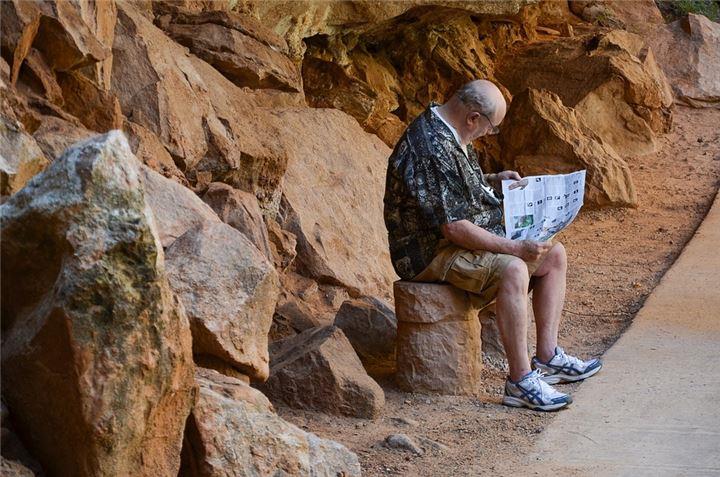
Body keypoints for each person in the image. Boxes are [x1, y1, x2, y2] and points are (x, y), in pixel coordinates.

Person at [383, 79, 602, 412]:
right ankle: (520, 381)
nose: (489, 133)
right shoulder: (429, 146)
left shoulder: (448, 127)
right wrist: (513, 249)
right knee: (514, 268)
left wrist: (494, 181)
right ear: (473, 117)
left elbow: (454, 189)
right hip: (428, 252)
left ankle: (547, 357)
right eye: (490, 127)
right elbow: (454, 227)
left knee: (554, 254)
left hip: (452, 238)